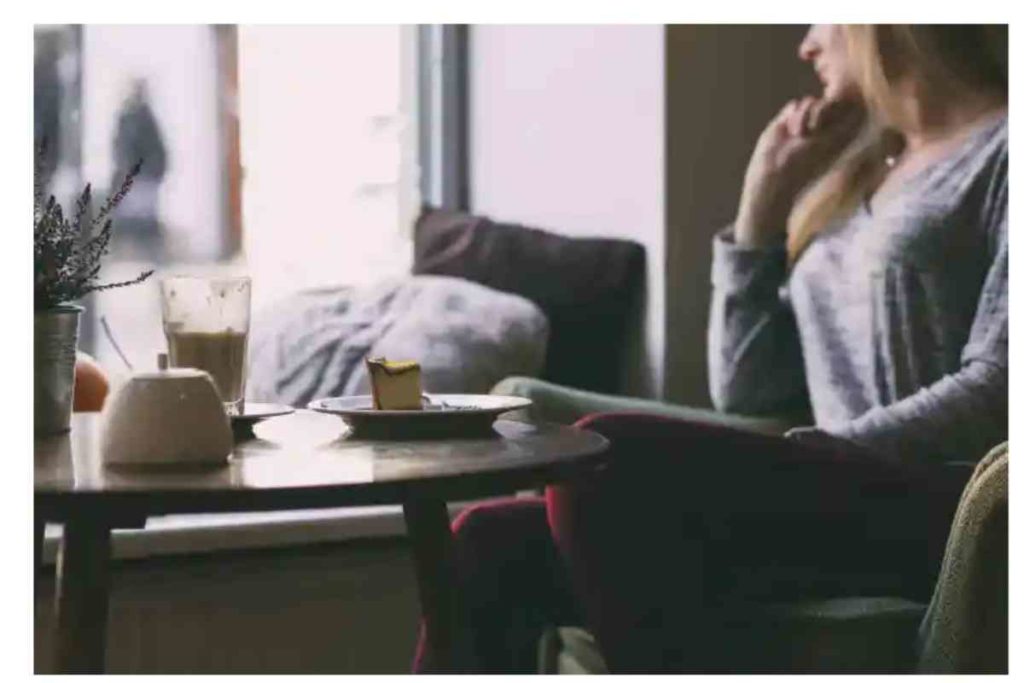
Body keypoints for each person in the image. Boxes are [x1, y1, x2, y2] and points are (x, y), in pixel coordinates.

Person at [413, 25, 1008, 673]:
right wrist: (761, 208)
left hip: (948, 505)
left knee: (613, 456)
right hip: (825, 487)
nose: (807, 46)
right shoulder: (862, 167)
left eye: (821, 18)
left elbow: (1001, 387)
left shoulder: (1003, 150)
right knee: (486, 540)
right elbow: (753, 391)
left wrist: (806, 456)